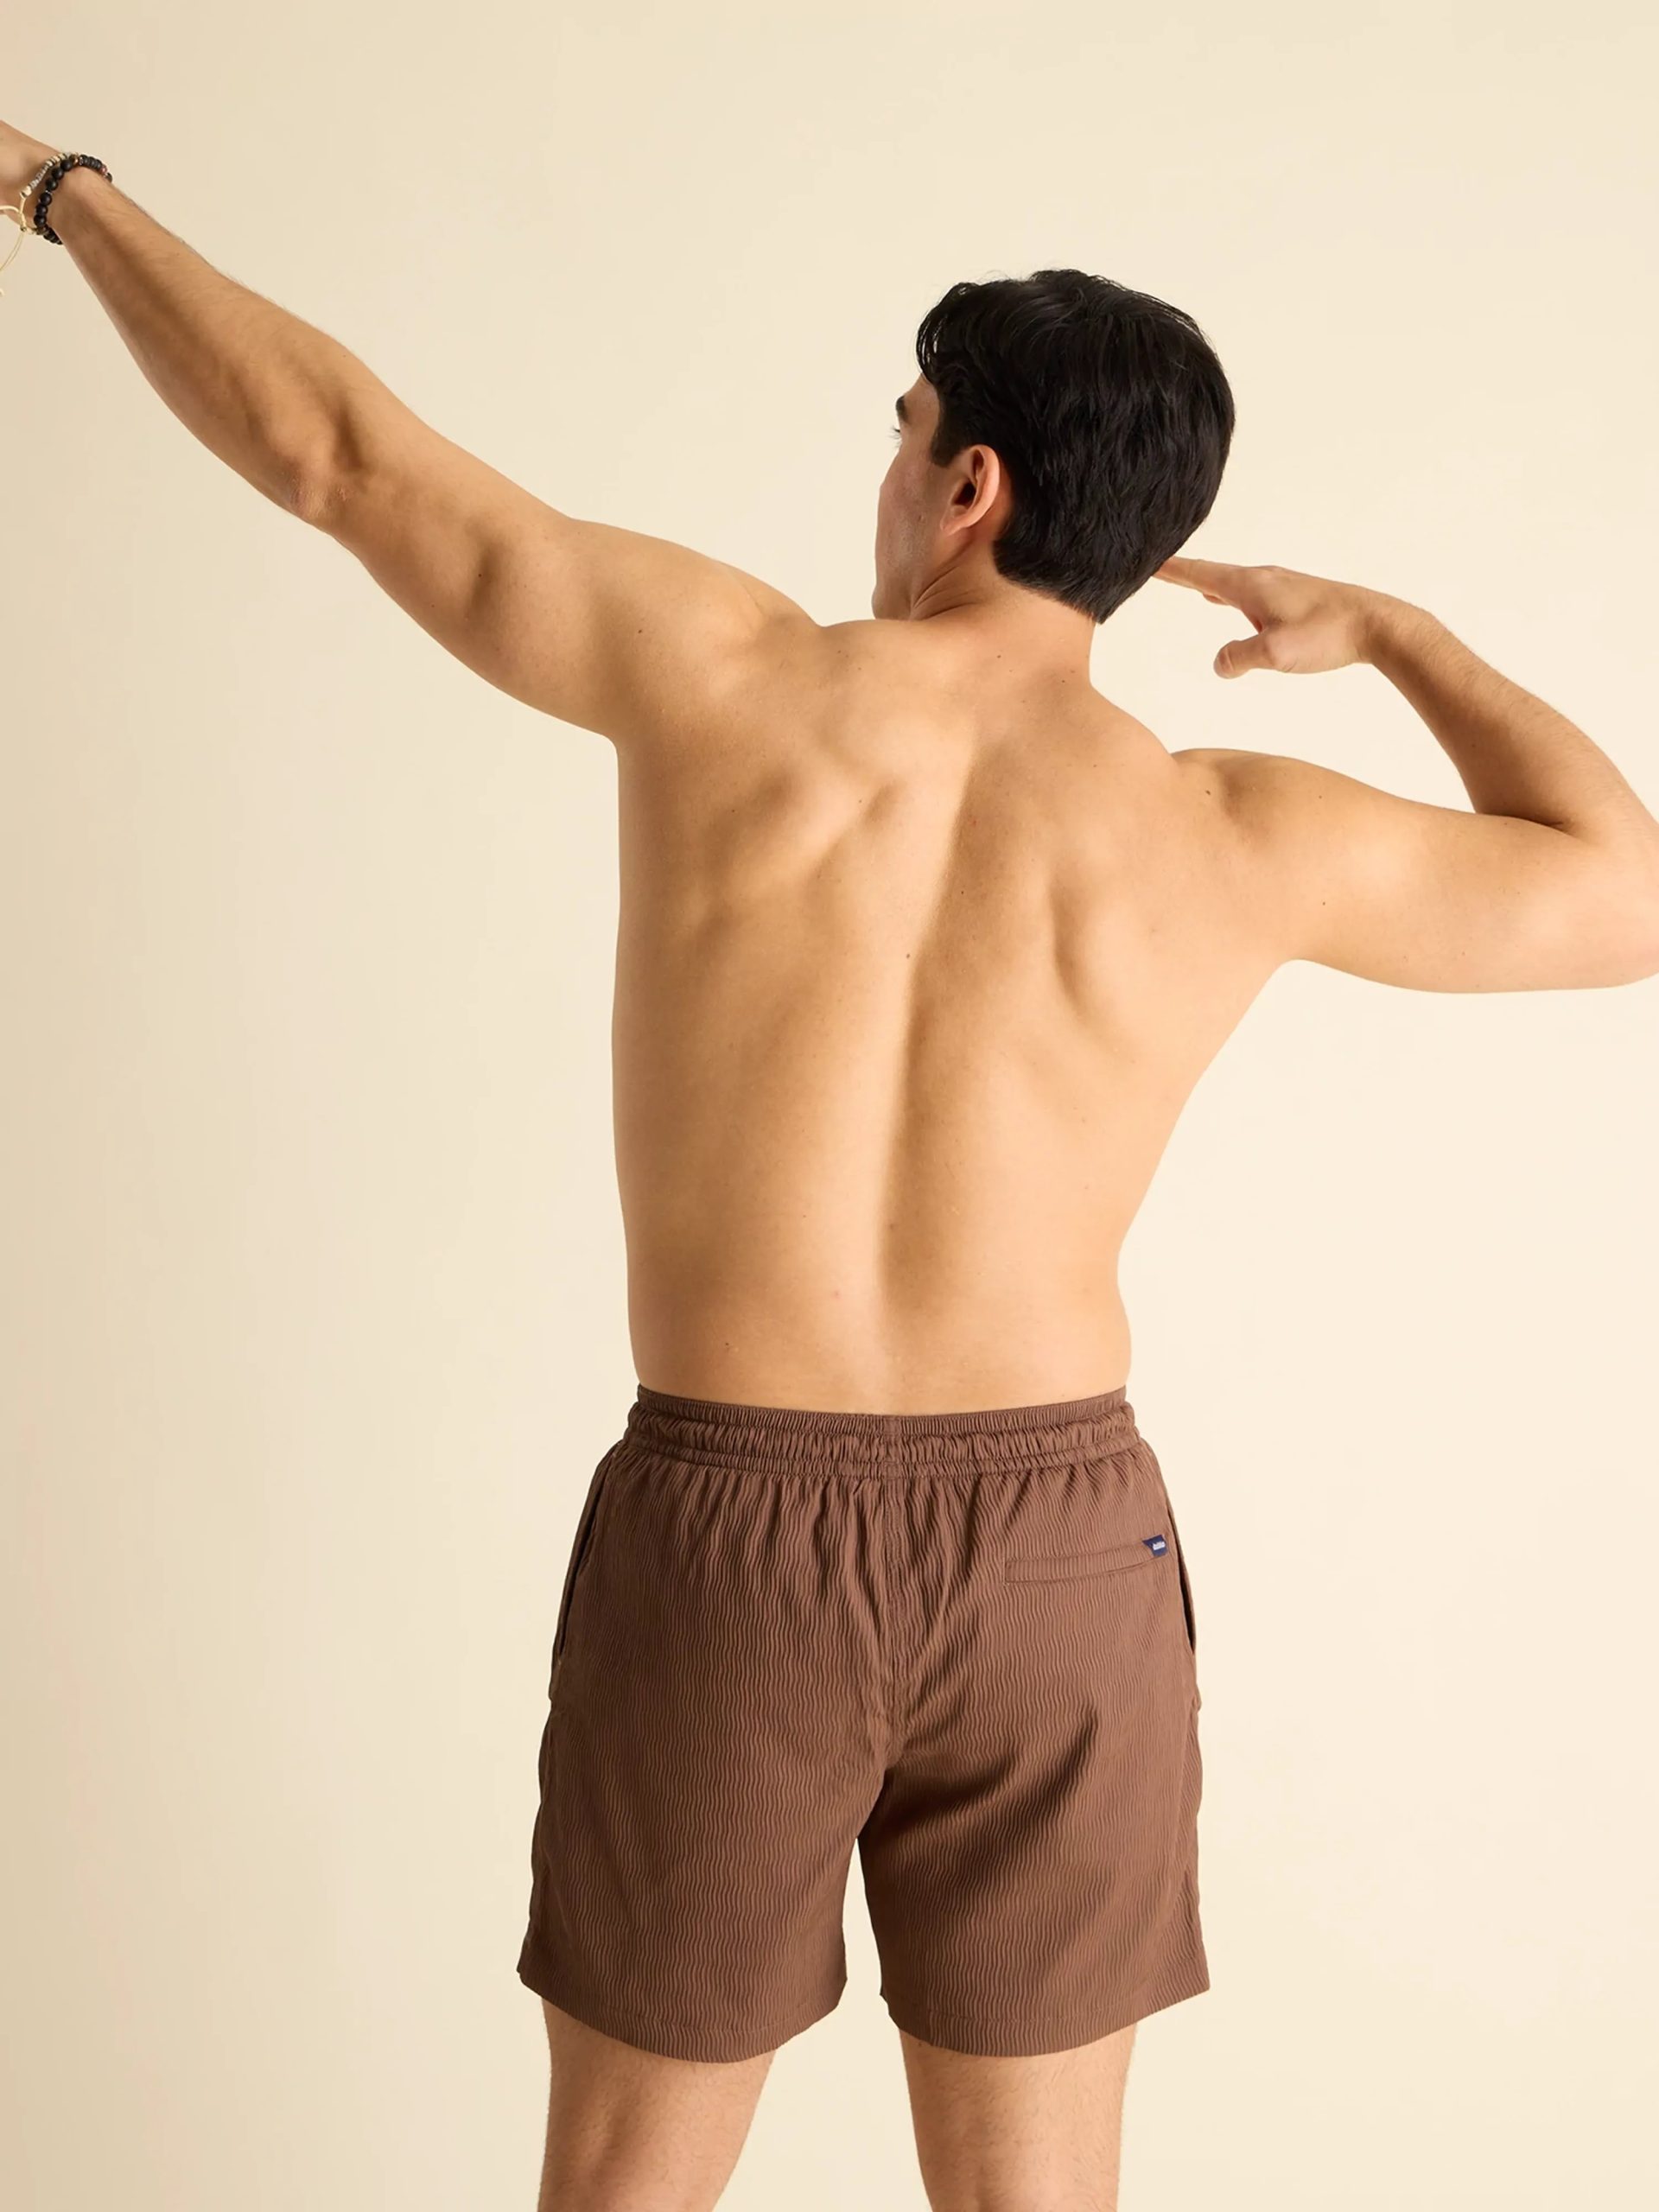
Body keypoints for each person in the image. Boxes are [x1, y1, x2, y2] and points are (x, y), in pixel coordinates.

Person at [10, 127, 1658, 2212]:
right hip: (1065, 1550)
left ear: (968, 487)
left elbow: (334, 455)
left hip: (735, 1529)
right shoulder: (1229, 828)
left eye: (903, 431)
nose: (885, 473)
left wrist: (61, 191)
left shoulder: (727, 677)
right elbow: (1622, 890)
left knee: (622, 2187)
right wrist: (1402, 635)